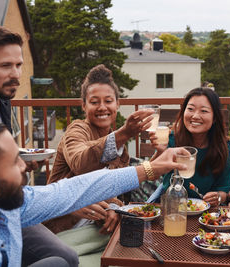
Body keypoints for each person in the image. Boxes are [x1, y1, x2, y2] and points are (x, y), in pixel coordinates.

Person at [0, 115, 187, 266]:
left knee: (62, 261)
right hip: (66, 227)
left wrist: (151, 168)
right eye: (15, 163)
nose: (24, 167)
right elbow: (80, 165)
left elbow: (76, 188)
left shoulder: (15, 205)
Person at [0, 23, 78, 266]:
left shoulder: (3, 104)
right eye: (6, 65)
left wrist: (20, 165)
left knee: (69, 257)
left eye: (19, 65)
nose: (16, 74)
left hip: (11, 203)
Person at [44, 64, 153, 262]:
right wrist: (123, 133)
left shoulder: (120, 147)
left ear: (117, 104)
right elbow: (80, 163)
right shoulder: (76, 130)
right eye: (94, 102)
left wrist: (113, 207)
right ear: (84, 106)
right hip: (64, 230)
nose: (102, 107)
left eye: (108, 101)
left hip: (97, 231)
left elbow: (113, 191)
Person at [149, 87, 230, 207]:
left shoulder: (224, 147)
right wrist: (160, 152)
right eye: (190, 109)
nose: (195, 116)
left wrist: (219, 196)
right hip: (170, 206)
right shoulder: (172, 139)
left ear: (215, 118)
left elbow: (224, 189)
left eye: (204, 111)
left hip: (205, 211)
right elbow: (152, 176)